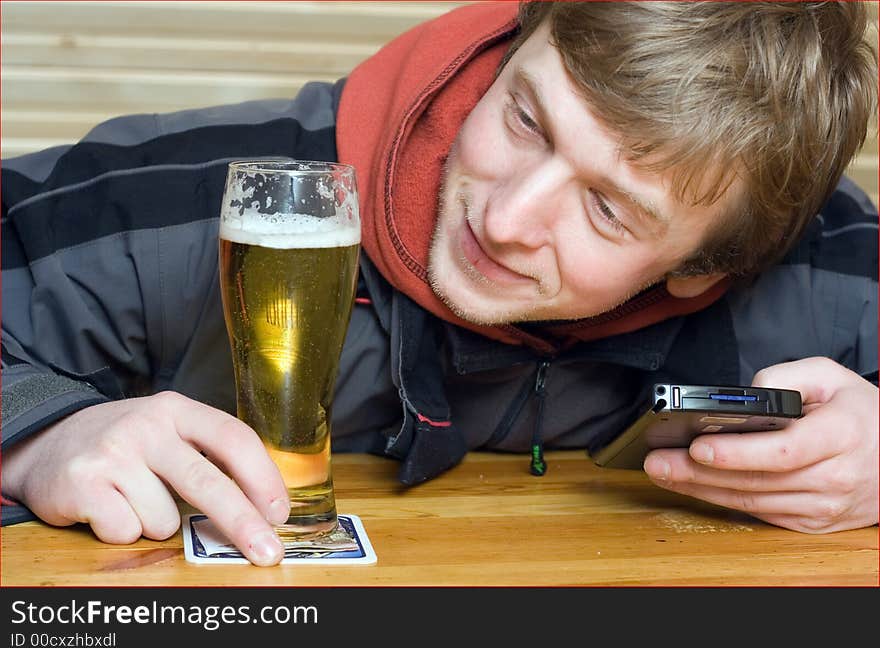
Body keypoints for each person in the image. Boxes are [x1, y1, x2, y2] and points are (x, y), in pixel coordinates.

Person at [2, 1, 877, 567]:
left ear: (702, 270)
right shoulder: (179, 204)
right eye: (526, 117)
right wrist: (37, 436)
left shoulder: (823, 263)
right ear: (509, 43)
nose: (505, 218)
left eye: (610, 211)